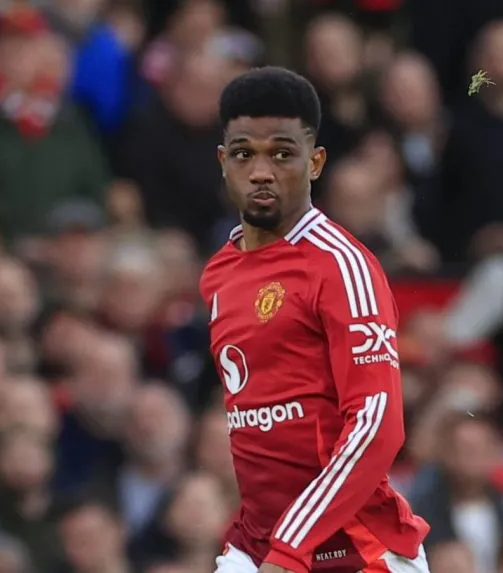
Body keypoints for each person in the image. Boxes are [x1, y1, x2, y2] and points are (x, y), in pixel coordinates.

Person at [200, 66, 430, 573]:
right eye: (244, 154)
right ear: (223, 162)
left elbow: (377, 425)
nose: (262, 171)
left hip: (357, 550)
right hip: (259, 547)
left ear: (316, 162)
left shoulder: (342, 266)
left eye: (282, 154)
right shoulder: (219, 273)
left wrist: (290, 549)